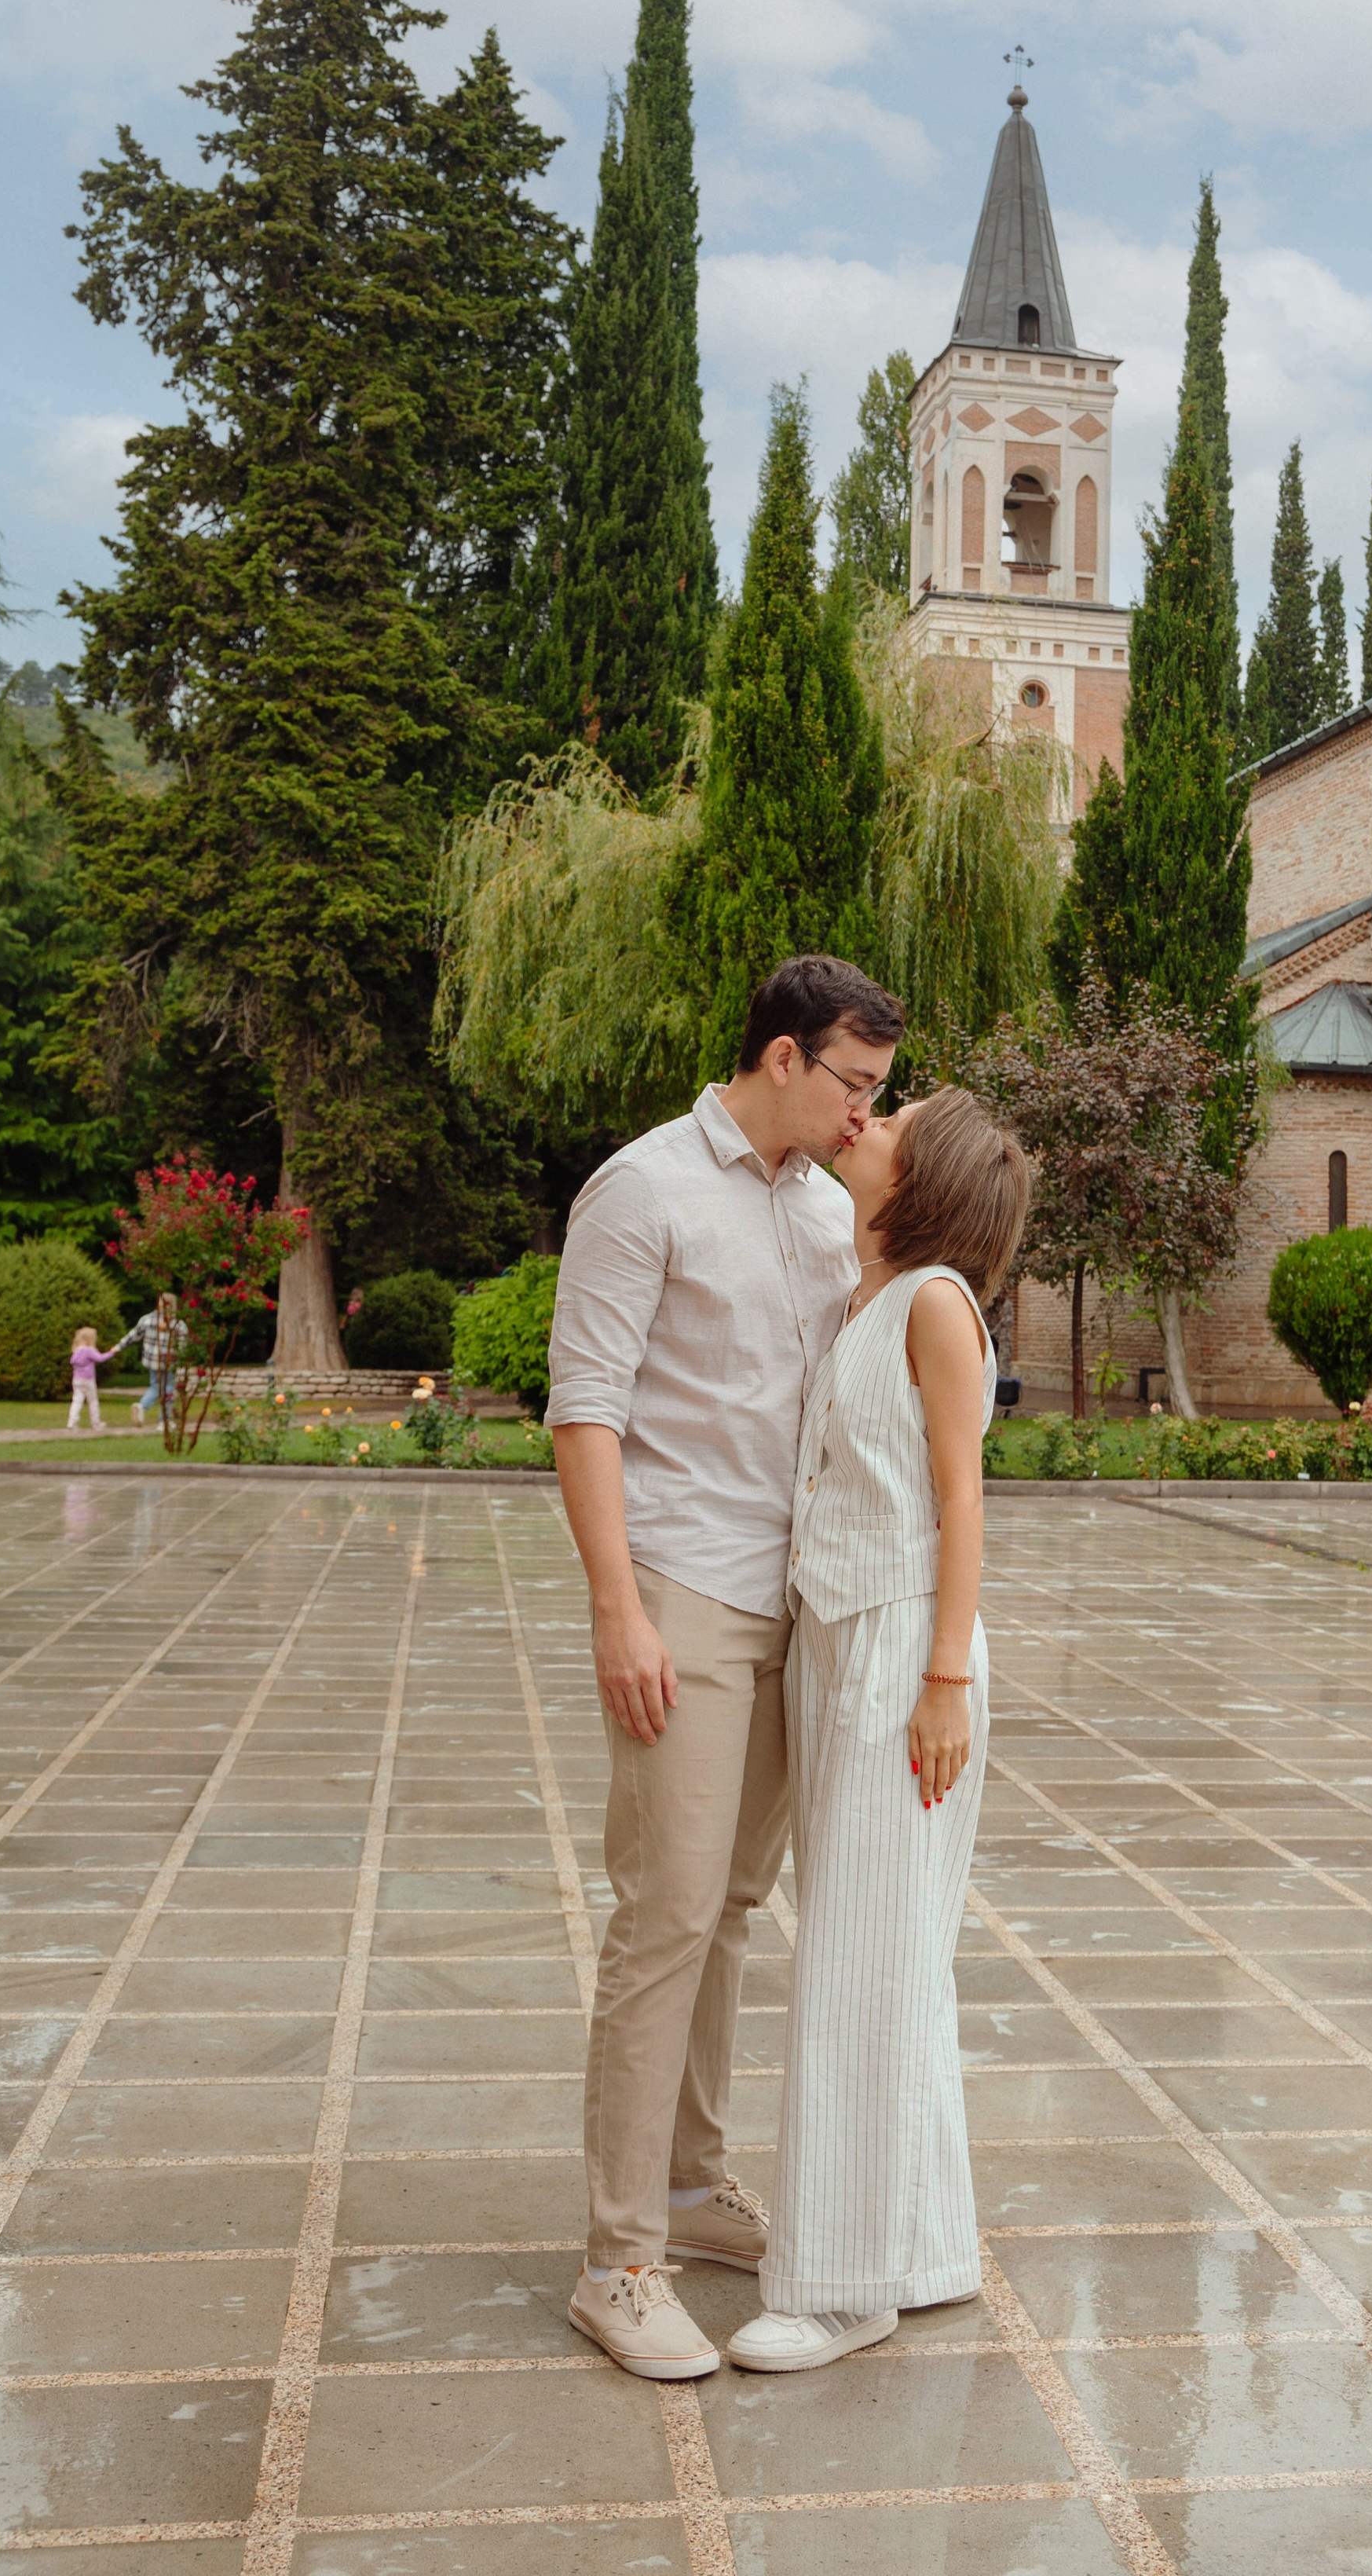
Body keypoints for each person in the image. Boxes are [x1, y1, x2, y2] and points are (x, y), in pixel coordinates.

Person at [547, 955, 906, 2383]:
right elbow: (584, 1411)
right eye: (853, 1085)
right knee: (667, 1915)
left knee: (735, 1911)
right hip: (684, 1589)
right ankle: (616, 2262)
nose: (865, 1114)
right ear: (782, 1057)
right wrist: (617, 1612)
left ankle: (693, 2186)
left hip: (797, 1600)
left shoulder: (823, 1207)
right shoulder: (641, 1191)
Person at [727, 1084, 1028, 2374]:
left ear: (930, 1175)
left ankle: (845, 2288)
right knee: (887, 1953)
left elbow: (965, 1500)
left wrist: (945, 1677)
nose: (873, 1118)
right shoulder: (869, 1294)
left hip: (907, 1654)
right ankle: (926, 2247)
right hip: (840, 1644)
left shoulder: (936, 1304)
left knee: (860, 1958)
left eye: (900, 1118)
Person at [125, 1295, 186, 1431]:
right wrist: (181, 1362)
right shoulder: (178, 1324)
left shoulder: (148, 1319)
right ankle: (164, 1421)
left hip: (152, 1361)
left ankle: (142, 1407)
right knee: (168, 1388)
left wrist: (119, 1346)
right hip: (170, 1362)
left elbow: (133, 1335)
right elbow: (183, 1345)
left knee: (155, 1386)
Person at [66, 1327, 108, 1434]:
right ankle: (96, 1423)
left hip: (77, 1380)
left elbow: (72, 1361)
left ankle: (72, 1422)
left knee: (77, 1401)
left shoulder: (76, 1350)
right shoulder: (89, 1350)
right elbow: (100, 1358)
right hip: (88, 1380)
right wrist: (112, 1352)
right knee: (93, 1401)